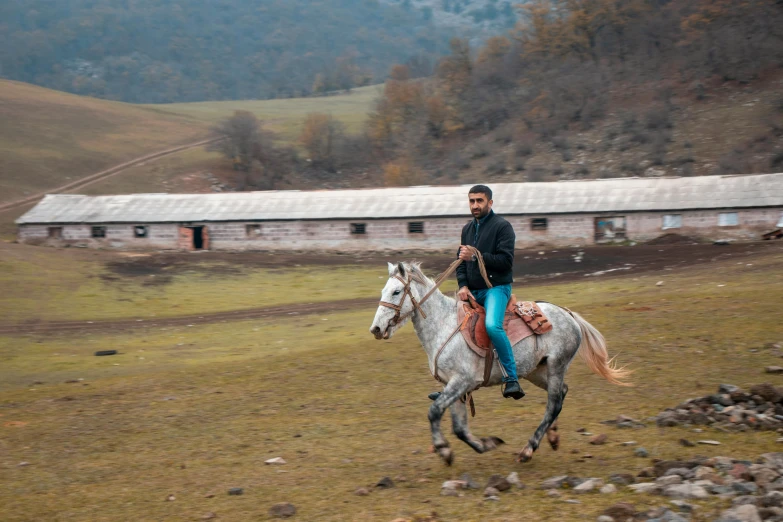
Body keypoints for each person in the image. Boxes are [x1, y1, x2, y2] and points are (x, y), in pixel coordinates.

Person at [456, 185, 524, 400]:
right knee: (452, 326)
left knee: (492, 326)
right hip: (473, 290)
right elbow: (459, 262)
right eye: (472, 201)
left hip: (497, 288)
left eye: (479, 201)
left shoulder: (502, 227)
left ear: (490, 203)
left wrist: (476, 256)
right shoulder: (467, 229)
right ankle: (455, 381)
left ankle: (511, 379)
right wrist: (462, 286)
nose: (475, 205)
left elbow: (506, 262)